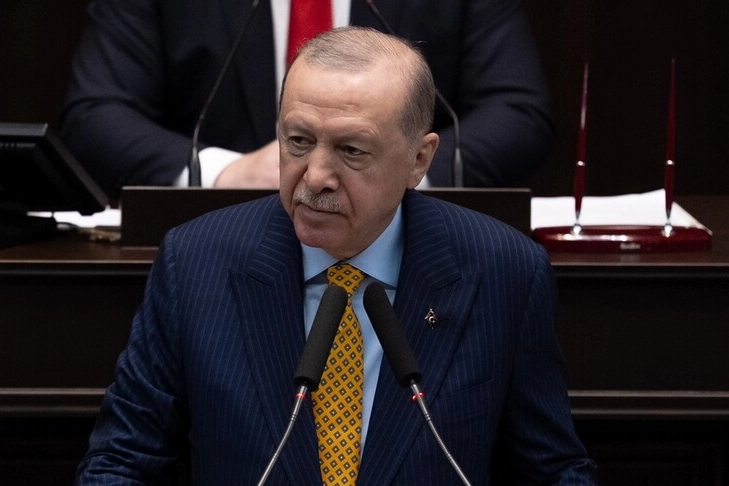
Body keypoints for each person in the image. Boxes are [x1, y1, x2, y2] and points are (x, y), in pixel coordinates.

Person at [75, 27, 595, 484]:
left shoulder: (504, 270)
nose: (316, 176)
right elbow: (121, 462)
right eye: (299, 141)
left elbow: (552, 471)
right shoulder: (194, 263)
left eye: (351, 150)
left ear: (419, 159)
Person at [59, 0, 554, 197]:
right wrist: (226, 173)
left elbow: (518, 113)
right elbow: (95, 116)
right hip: (214, 240)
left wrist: (396, 174)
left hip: (409, 244)